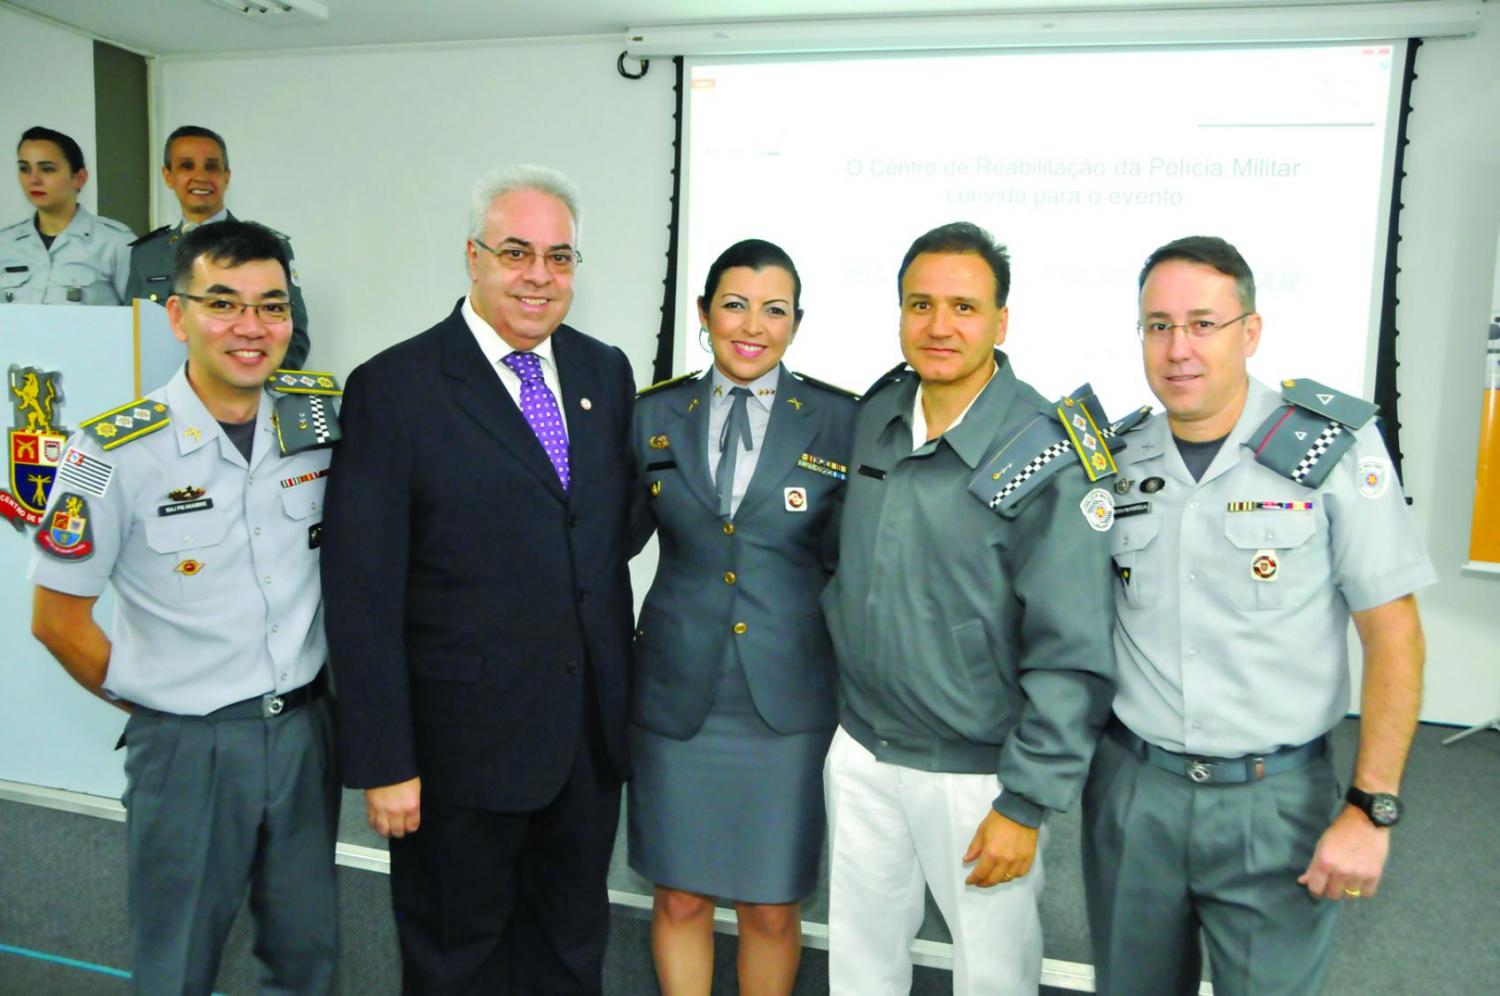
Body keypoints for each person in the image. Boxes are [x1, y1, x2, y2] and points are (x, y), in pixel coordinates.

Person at [1082, 235, 1436, 995]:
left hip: (1274, 805)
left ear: (1251, 331)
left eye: (1203, 323)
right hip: (1134, 794)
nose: (1179, 348)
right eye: (1158, 325)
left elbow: (1394, 635)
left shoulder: (1331, 448)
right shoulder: (1116, 458)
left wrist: (1371, 811)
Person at [321, 164, 636, 994]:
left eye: (560, 257)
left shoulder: (606, 373)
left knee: (571, 950)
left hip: (582, 748)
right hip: (455, 753)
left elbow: (600, 540)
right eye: (517, 252)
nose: (540, 275)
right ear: (472, 257)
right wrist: (384, 760)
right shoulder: (395, 388)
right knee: (457, 961)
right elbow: (361, 589)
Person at [28, 219, 340, 993]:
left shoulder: (317, 420)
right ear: (177, 315)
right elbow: (56, 619)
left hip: (305, 736)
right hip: (188, 751)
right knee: (177, 965)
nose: (250, 327)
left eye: (271, 306)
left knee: (307, 959)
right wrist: (160, 699)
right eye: (223, 303)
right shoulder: (111, 453)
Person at [819, 221, 1116, 995]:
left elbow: (1073, 648)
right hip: (863, 749)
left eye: (963, 307)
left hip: (977, 774)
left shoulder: (1047, 452)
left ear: (1001, 322)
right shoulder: (876, 418)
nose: (939, 326)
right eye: (921, 305)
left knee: (991, 976)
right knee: (858, 964)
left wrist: (1025, 801)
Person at [629, 239, 857, 995]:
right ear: (703, 313)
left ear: (796, 322)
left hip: (785, 702)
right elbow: (606, 538)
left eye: (774, 309)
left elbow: (849, 558)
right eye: (734, 304)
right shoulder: (653, 413)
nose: (752, 326)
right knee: (681, 894)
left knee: (769, 906)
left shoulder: (838, 419)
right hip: (675, 695)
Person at [125, 125, 309, 367]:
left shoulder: (266, 247)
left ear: (226, 176)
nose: (201, 176)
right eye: (186, 166)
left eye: (211, 166)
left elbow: (293, 338)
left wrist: (252, 389)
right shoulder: (146, 254)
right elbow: (131, 340)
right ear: (168, 176)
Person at [3, 126, 133, 304]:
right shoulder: (5, 244)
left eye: (47, 169)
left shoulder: (114, 243)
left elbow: (142, 321)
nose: (33, 179)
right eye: (25, 169)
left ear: (79, 178)